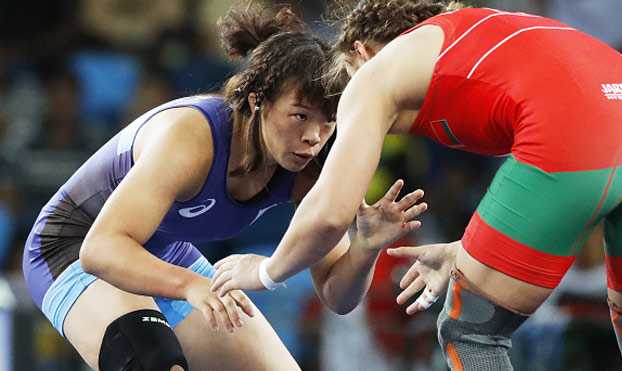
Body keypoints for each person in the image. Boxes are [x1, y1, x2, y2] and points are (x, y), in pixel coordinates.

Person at [210, 1, 622, 370]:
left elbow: (331, 214)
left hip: (573, 130)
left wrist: (264, 271)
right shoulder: (472, 40)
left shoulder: (374, 73)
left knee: (472, 333)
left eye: (344, 84)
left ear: (362, 53)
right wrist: (470, 249)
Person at [21, 3, 428, 371]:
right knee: (157, 364)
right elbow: (100, 249)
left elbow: (338, 298)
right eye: (300, 116)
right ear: (256, 101)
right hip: (71, 248)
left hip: (164, 253)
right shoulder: (191, 137)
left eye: (328, 122)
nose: (314, 137)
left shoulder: (312, 166)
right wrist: (190, 284)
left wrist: (365, 247)